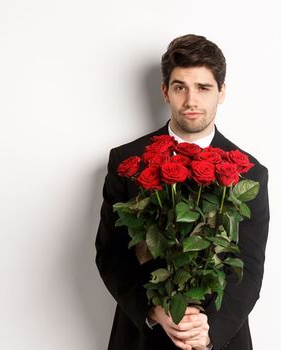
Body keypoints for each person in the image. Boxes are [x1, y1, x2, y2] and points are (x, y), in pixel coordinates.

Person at [95, 34, 270, 350]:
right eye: (180, 87)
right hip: (142, 337)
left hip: (219, 340)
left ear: (221, 92)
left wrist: (208, 331)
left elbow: (250, 265)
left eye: (203, 88)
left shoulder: (249, 172)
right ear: (165, 92)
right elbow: (111, 253)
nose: (191, 100)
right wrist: (153, 310)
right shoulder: (126, 161)